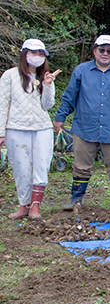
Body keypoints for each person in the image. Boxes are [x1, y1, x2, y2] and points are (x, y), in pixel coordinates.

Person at [53, 35, 110, 210]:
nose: (105, 54)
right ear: (94, 51)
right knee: (81, 166)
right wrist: (60, 117)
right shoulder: (81, 71)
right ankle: (75, 199)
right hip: (85, 127)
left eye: (109, 51)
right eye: (101, 50)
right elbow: (69, 96)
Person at [1, 39, 60, 219]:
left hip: (41, 127)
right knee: (21, 167)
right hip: (16, 127)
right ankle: (23, 205)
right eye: (34, 53)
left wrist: (48, 85)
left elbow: (47, 105)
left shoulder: (45, 76)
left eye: (41, 54)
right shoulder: (10, 76)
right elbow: (2, 104)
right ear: (25, 54)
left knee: (41, 165)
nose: (37, 57)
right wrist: (1, 132)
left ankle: (35, 207)